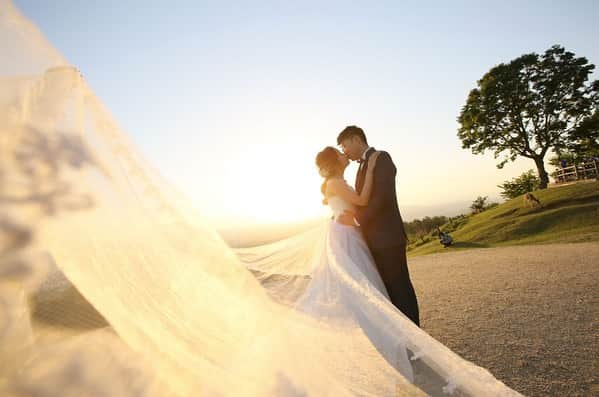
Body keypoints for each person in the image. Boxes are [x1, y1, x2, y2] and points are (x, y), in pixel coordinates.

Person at [336, 126, 420, 327]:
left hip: (388, 238)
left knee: (400, 289)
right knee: (389, 291)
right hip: (374, 239)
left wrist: (356, 220)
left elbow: (382, 198)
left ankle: (418, 339)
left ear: (356, 139)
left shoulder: (381, 158)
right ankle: (405, 337)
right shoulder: (362, 166)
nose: (344, 151)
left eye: (345, 145)